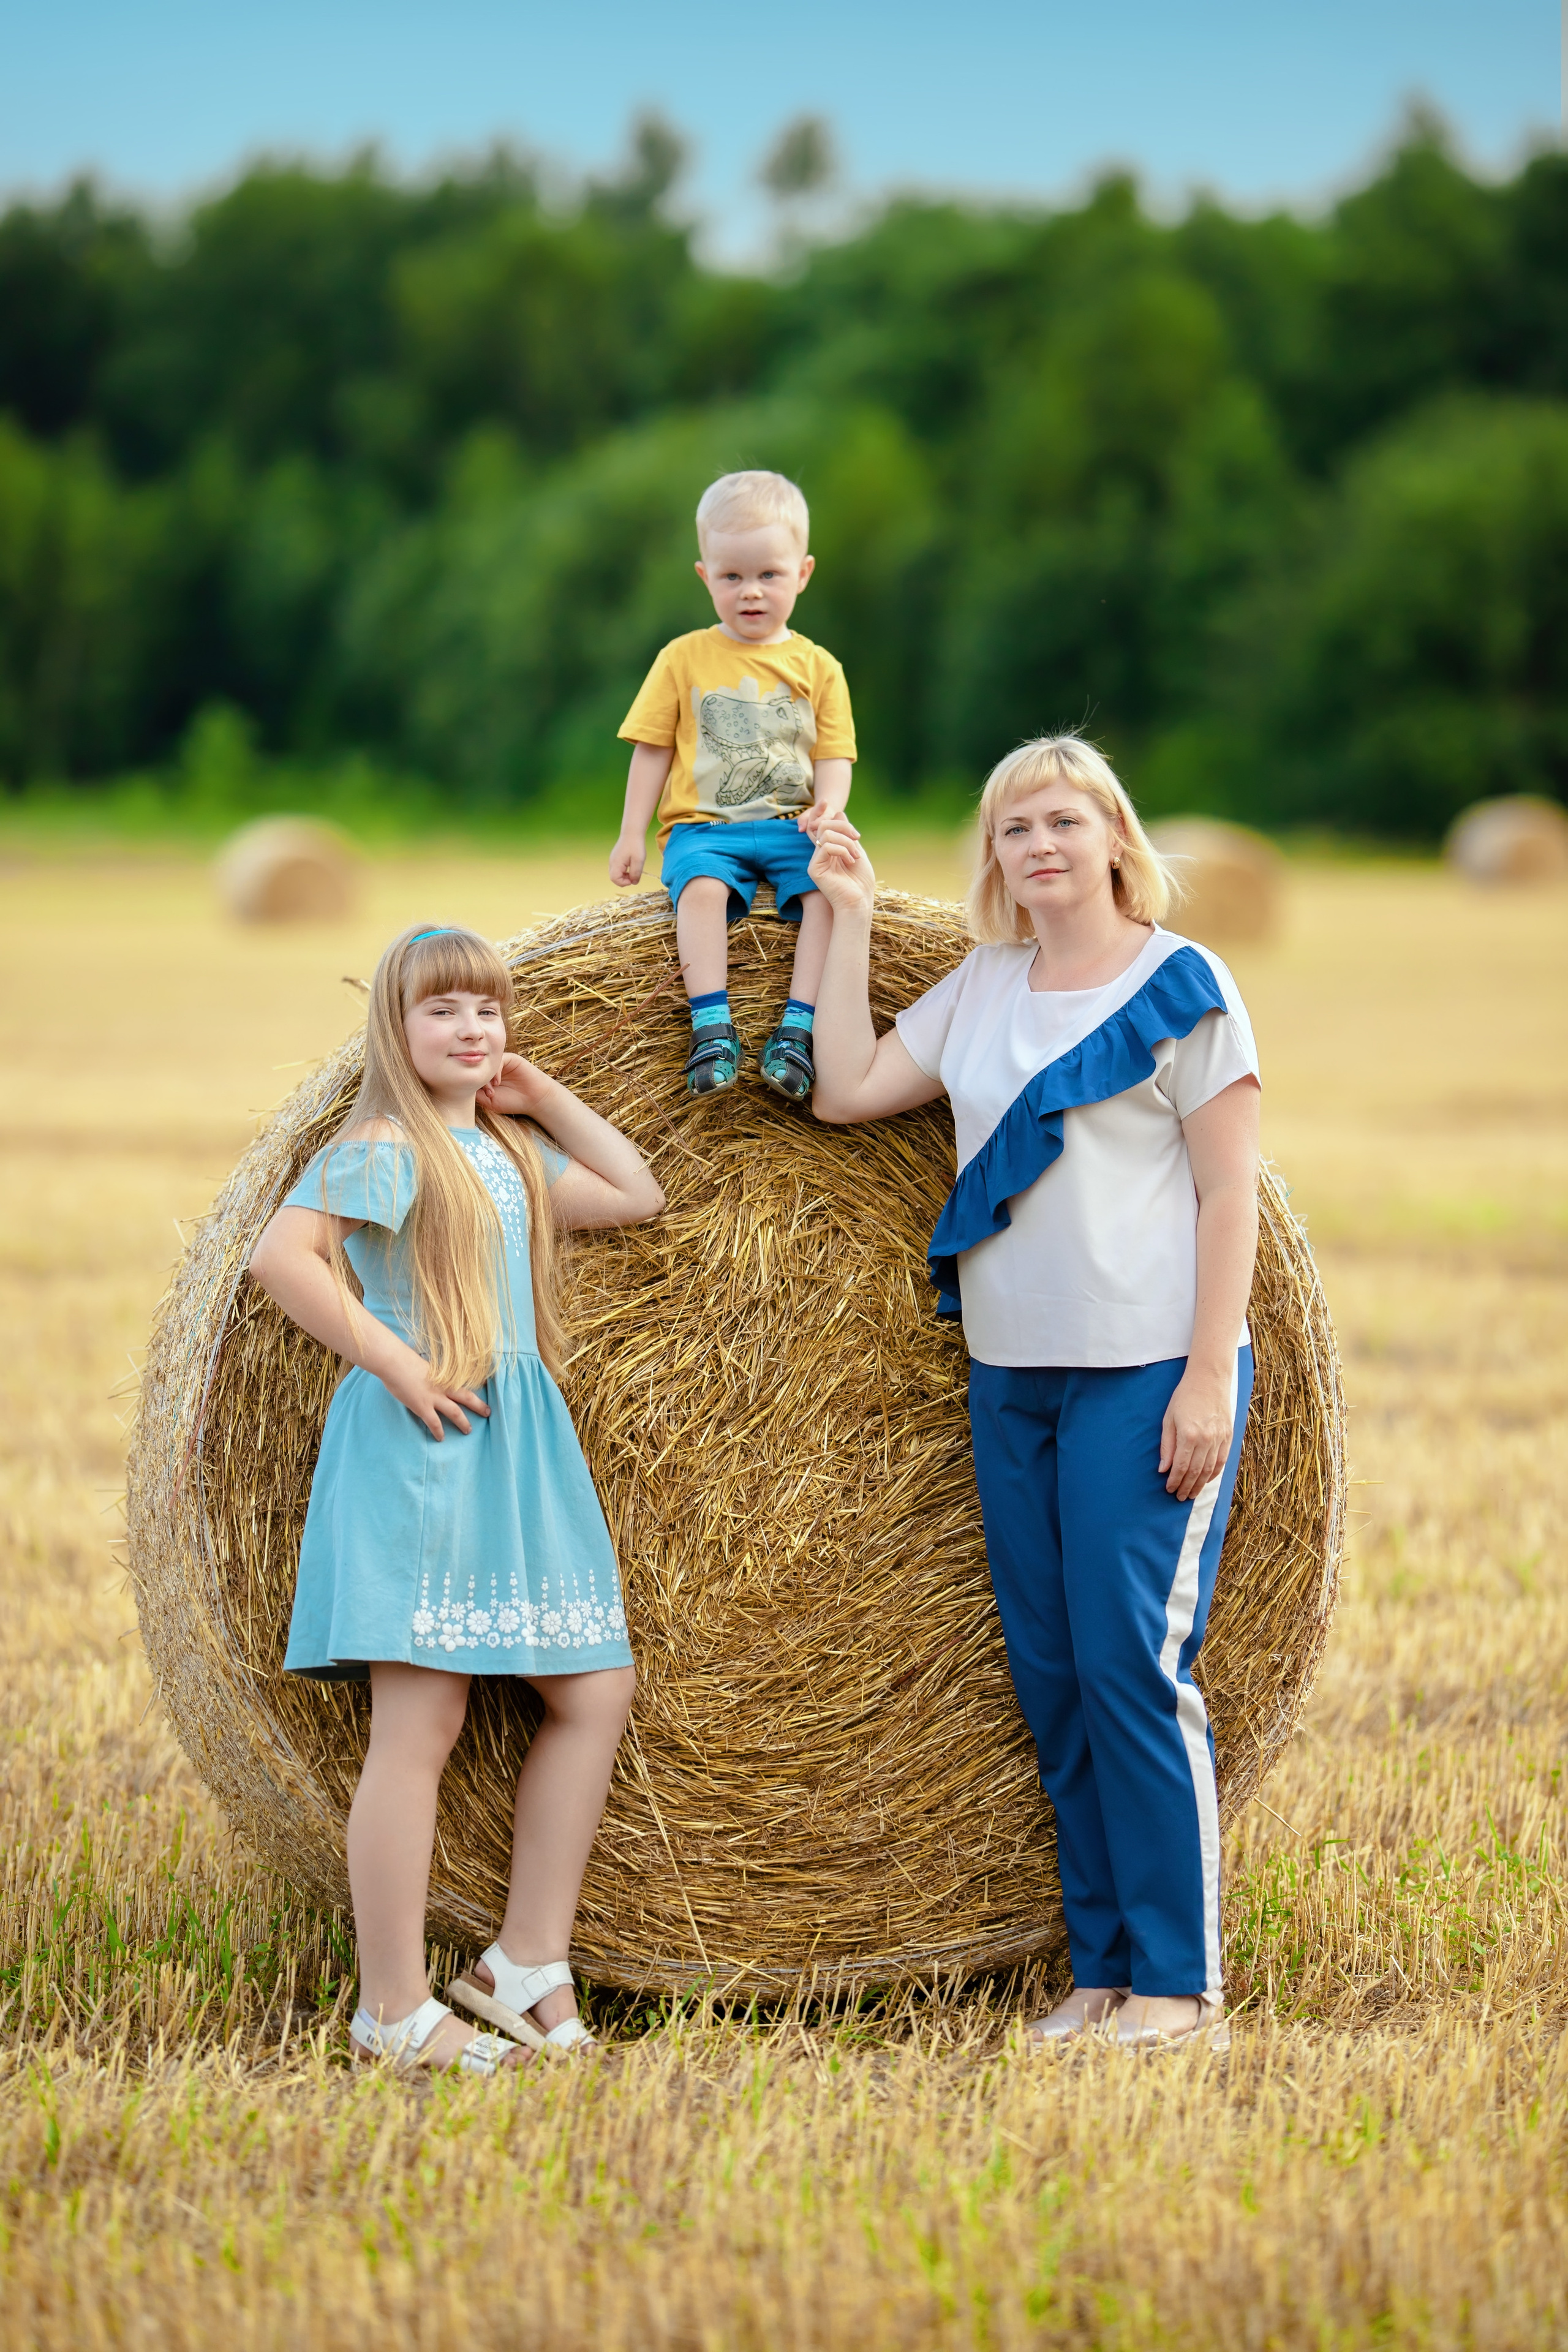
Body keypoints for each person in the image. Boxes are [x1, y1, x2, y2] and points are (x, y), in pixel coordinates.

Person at [809, 736, 1262, 2052]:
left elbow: (1229, 1189)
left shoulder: (1185, 984)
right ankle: (1098, 1972)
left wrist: (1202, 1380)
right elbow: (845, 1093)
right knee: (1054, 1674)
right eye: (1013, 829)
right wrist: (844, 923)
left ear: (1114, 837)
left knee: (1134, 1666)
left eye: (1060, 819)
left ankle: (1178, 1989)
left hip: (1145, 1371)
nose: (1038, 845)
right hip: (1010, 1372)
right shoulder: (984, 987)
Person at [248, 922, 665, 2078]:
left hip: (519, 1452)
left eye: (488, 1010)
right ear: (397, 1027)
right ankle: (389, 2008)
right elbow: (283, 1259)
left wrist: (548, 1094)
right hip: (427, 1449)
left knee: (594, 1685)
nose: (473, 1029)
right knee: (420, 1725)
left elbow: (639, 1192)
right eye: (444, 1011)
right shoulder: (387, 1144)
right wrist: (394, 1360)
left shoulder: (512, 1158)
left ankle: (525, 1961)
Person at [608, 469, 858, 1104]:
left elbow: (834, 754)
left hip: (790, 827)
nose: (751, 592)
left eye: (768, 575)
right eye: (732, 577)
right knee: (700, 893)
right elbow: (651, 749)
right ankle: (711, 1024)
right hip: (704, 830)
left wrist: (830, 808)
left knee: (830, 898)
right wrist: (631, 833)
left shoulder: (818, 667)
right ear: (705, 576)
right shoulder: (683, 657)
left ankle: (797, 1027)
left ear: (801, 573)